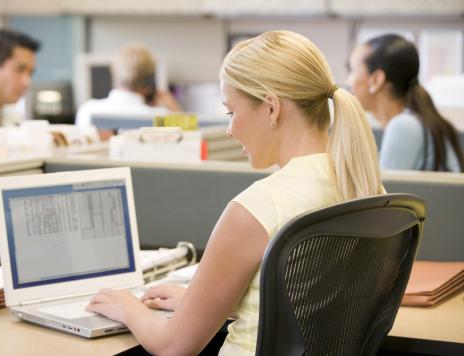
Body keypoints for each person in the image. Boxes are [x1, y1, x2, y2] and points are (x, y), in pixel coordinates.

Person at [87, 30, 383, 355]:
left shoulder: (259, 207)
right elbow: (307, 307)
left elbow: (174, 347)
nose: (229, 130)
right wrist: (201, 304)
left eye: (231, 112)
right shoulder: (362, 185)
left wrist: (128, 307)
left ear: (271, 108)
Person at [347, 34, 464, 172]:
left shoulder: (403, 126)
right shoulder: (412, 121)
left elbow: (384, 191)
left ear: (377, 80)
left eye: (353, 71)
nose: (349, 81)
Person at [75, 44, 181, 129]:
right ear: (149, 79)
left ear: (113, 70)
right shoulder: (162, 117)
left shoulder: (87, 110)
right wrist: (175, 110)